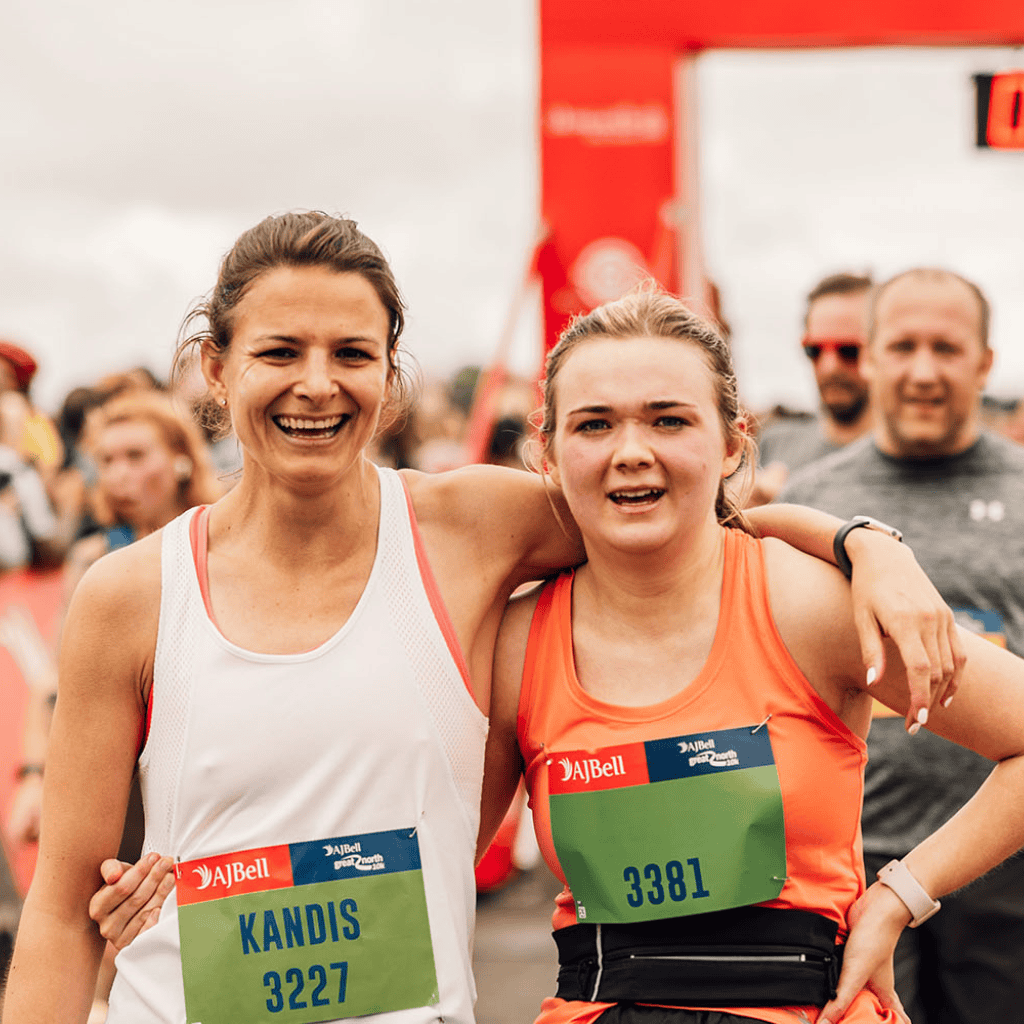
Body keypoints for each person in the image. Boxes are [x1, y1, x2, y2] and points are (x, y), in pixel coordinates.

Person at [1, 213, 958, 1024]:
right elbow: (56, 911)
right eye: (278, 352)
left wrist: (865, 543)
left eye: (351, 354)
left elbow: (680, 509)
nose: (316, 384)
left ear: (390, 373)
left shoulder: (469, 526)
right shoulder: (132, 593)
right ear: (215, 367)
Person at [476, 286, 1024, 1024]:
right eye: (594, 424)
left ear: (733, 441)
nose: (631, 452)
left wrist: (901, 894)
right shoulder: (515, 642)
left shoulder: (808, 604)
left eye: (669, 420)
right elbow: (435, 866)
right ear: (545, 450)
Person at [779, 267, 1024, 1024]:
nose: (923, 371)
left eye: (947, 349)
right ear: (872, 357)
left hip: (1007, 875)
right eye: (903, 346)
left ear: (984, 363)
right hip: (850, 872)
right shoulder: (807, 508)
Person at [753, 273, 873, 504]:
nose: (829, 367)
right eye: (814, 350)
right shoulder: (775, 444)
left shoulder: (912, 458)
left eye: (849, 350)